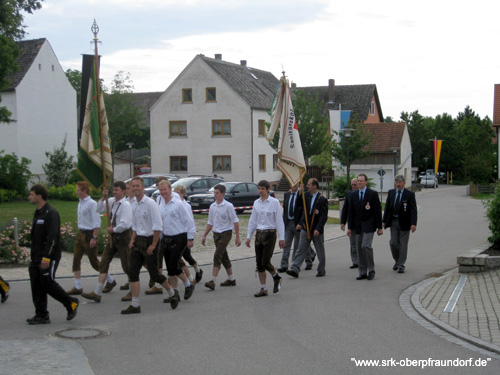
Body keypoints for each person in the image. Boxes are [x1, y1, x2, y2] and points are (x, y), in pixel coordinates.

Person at [123, 177, 178, 314]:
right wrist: (132, 240)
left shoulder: (150, 204)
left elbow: (158, 226)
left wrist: (153, 244)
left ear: (143, 188)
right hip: (138, 241)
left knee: (154, 274)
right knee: (132, 272)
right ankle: (135, 305)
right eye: (133, 186)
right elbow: (135, 225)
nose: (135, 188)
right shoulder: (133, 204)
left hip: (150, 240)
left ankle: (172, 293)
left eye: (137, 186)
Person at [26, 184, 79, 324]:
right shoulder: (38, 213)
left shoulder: (51, 213)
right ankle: (41, 314)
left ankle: (70, 303)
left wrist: (46, 257)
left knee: (47, 283)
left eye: (31, 194)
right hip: (36, 256)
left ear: (39, 196)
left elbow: (53, 237)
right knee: (36, 285)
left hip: (48, 256)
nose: (29, 197)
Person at [81, 181, 133, 303]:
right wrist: (103, 197)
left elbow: (125, 224)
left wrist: (113, 229)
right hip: (112, 237)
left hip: (123, 236)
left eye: (117, 190)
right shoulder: (111, 201)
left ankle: (132, 289)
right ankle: (97, 292)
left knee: (127, 265)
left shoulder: (126, 205)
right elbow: (98, 209)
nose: (114, 192)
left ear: (123, 191)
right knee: (104, 262)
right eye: (113, 190)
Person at [157, 180, 196, 304]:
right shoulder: (161, 204)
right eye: (161, 190)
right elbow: (161, 222)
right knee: (170, 268)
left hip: (180, 237)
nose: (163, 192)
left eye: (165, 189)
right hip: (166, 238)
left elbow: (189, 221)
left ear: (170, 189)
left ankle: (188, 284)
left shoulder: (179, 204)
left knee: (173, 265)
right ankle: (174, 294)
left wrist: (190, 238)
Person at [66, 181, 107, 295]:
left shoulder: (91, 203)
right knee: (76, 259)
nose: (76, 192)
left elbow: (96, 221)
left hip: (90, 234)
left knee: (94, 262)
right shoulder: (80, 203)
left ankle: (110, 279)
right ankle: (78, 286)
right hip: (81, 234)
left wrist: (94, 237)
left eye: (78, 190)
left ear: (84, 191)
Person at [245, 180, 285, 297]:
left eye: (262, 188)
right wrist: (248, 236)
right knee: (259, 264)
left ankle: (276, 276)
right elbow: (252, 221)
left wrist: (282, 238)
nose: (260, 191)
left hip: (270, 234)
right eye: (259, 188)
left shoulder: (274, 202)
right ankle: (263, 288)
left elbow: (279, 221)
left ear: (268, 189)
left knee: (266, 261)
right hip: (259, 234)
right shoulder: (256, 203)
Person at [286, 178, 329, 278]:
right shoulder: (306, 196)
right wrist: (300, 193)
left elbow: (323, 216)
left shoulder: (322, 199)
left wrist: (318, 228)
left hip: (316, 230)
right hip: (305, 228)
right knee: (301, 249)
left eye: (309, 184)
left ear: (314, 186)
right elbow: (300, 208)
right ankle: (295, 269)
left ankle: (321, 269)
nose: (307, 186)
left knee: (319, 250)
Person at [201, 184, 241, 290]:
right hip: (216, 233)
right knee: (224, 256)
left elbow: (235, 222)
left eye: (217, 193)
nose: (215, 195)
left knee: (217, 254)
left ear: (223, 194)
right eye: (214, 193)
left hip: (226, 233)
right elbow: (210, 222)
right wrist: (204, 235)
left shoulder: (228, 206)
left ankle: (212, 280)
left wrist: (237, 237)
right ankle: (231, 278)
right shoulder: (212, 206)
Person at [347, 173, 383, 281]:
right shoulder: (354, 195)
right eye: (358, 181)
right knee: (359, 247)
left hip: (369, 225)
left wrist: (379, 227)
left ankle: (371, 270)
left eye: (361, 181)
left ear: (366, 182)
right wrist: (349, 227)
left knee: (366, 245)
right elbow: (351, 212)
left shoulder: (372, 194)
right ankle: (362, 271)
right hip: (358, 225)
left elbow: (377, 211)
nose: (359, 182)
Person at [382, 175, 417, 273]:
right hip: (393, 221)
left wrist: (413, 224)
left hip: (405, 223)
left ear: (404, 183)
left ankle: (401, 264)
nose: (398, 184)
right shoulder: (391, 193)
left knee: (403, 244)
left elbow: (413, 210)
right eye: (396, 182)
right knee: (393, 243)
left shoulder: (409, 194)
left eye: (400, 182)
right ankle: (397, 261)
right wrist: (384, 221)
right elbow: (387, 208)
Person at [174, 184, 203, 284]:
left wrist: (190, 237)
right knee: (179, 257)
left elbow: (189, 221)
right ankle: (190, 277)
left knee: (186, 256)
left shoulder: (185, 205)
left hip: (186, 234)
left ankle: (197, 270)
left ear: (183, 194)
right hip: (178, 234)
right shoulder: (175, 204)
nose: (176, 195)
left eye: (178, 193)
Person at [340, 178, 359, 269]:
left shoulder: (363, 194)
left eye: (355, 185)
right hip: (352, 222)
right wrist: (343, 222)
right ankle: (355, 261)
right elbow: (345, 209)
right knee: (353, 243)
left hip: (362, 223)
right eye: (352, 185)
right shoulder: (349, 194)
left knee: (362, 243)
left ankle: (363, 259)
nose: (354, 186)